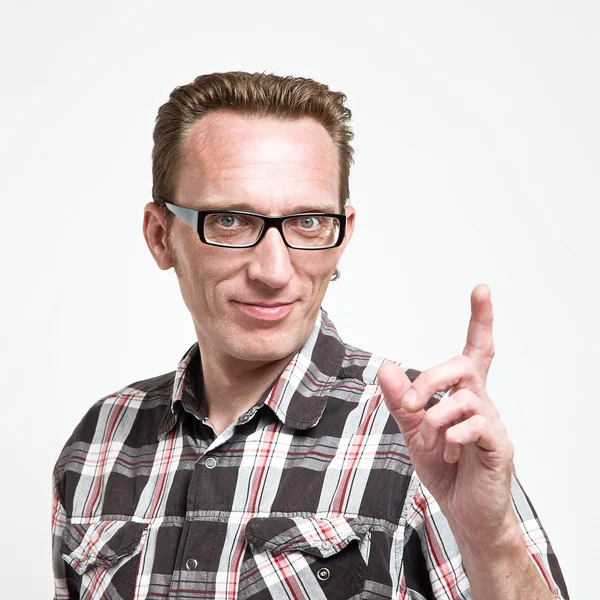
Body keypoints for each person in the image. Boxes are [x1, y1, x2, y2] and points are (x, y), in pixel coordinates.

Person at [52, 71, 569, 600]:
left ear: (342, 234)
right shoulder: (98, 443)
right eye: (230, 221)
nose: (274, 271)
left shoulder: (426, 436)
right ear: (162, 237)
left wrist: (493, 542)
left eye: (308, 223)